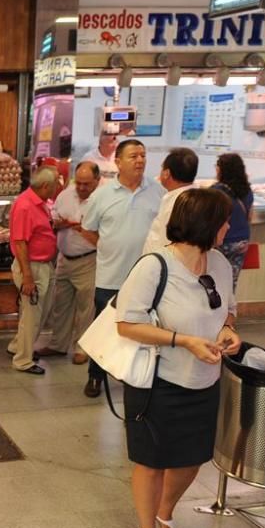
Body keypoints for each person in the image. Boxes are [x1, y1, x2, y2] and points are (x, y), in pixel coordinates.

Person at [115, 189, 240, 528]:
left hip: (204, 379)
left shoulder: (218, 263)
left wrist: (228, 329)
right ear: (206, 223)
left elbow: (228, 308)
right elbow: (126, 323)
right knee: (151, 461)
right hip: (158, 381)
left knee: (192, 457)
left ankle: (164, 512)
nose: (228, 227)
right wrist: (183, 340)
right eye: (223, 221)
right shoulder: (154, 266)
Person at [80, 139, 165, 397]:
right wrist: (108, 247)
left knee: (144, 328)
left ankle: (137, 376)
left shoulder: (158, 192)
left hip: (146, 278)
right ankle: (95, 376)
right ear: (118, 162)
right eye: (133, 156)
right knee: (104, 327)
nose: (140, 160)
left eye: (143, 155)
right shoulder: (102, 195)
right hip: (111, 275)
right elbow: (88, 229)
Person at [37, 161, 99, 367]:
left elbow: (106, 236)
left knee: (85, 307)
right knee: (60, 304)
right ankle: (58, 344)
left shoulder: (102, 200)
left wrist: (83, 229)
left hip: (88, 259)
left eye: (86, 184)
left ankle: (82, 348)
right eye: (78, 183)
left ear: (97, 182)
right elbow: (53, 219)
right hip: (64, 258)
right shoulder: (65, 195)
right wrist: (61, 223)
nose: (81, 188)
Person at [7, 167, 59, 375]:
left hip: (44, 265)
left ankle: (17, 347)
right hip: (32, 267)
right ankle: (23, 360)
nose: (56, 189)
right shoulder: (25, 205)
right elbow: (20, 243)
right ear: (45, 186)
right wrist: (27, 277)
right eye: (55, 185)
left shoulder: (40, 203)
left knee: (40, 313)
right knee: (32, 316)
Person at [143, 147, 199, 254]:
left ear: (166, 173)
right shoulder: (196, 196)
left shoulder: (176, 203)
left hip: (164, 264)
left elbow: (167, 241)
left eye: (162, 168)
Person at [212, 153, 254, 290]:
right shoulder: (247, 191)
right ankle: (229, 310)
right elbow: (250, 217)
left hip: (221, 242)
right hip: (241, 242)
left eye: (217, 166)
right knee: (231, 283)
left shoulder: (216, 192)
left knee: (213, 283)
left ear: (222, 170)